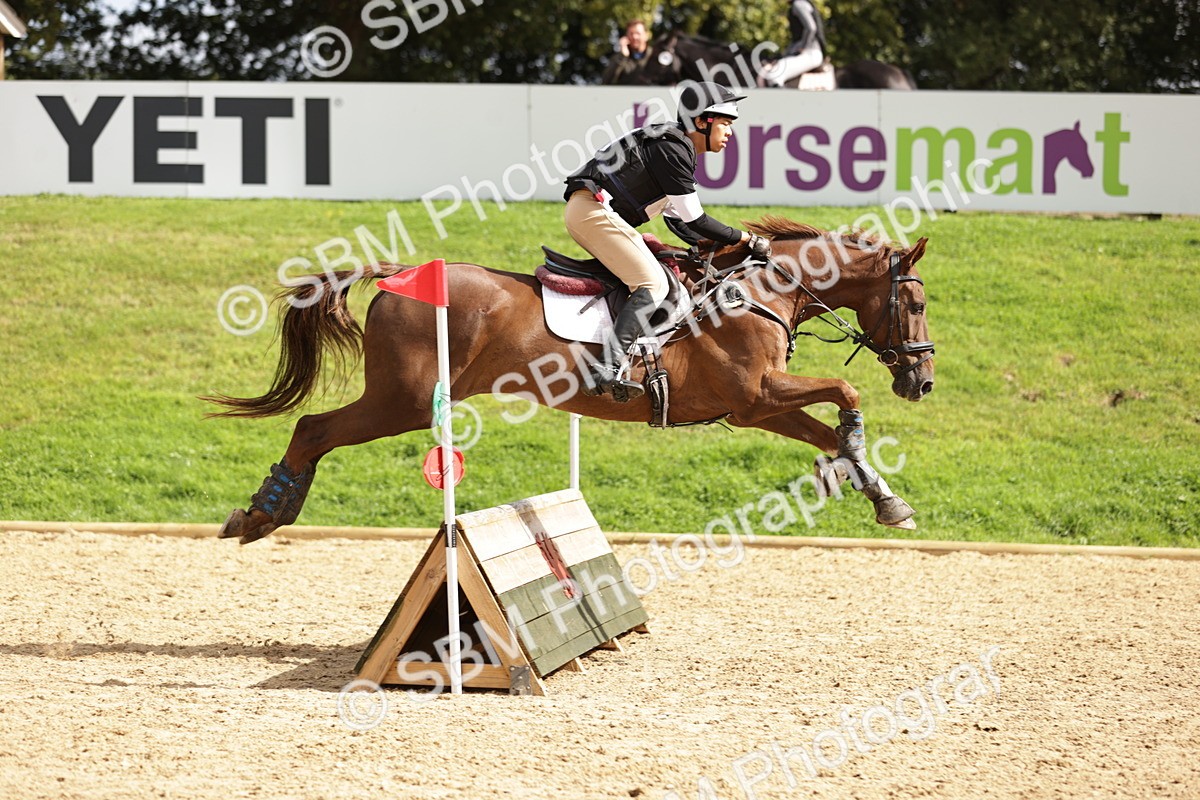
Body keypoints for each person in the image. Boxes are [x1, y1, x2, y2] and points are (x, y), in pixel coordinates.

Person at [562, 81, 773, 402]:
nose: (730, 133)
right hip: (592, 211)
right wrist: (748, 239)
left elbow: (679, 222)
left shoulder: (675, 146)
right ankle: (607, 366)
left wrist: (716, 251)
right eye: (726, 124)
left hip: (590, 210)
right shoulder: (673, 149)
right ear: (702, 121)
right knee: (653, 283)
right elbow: (697, 220)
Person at [757, 0, 828, 87]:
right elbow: (797, 40)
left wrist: (804, 47)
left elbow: (811, 28)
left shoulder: (798, 4)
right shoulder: (802, 3)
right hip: (810, 53)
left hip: (810, 53)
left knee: (774, 75)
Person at [601, 19, 653, 85]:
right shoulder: (619, 58)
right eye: (631, 34)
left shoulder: (654, 56)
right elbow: (606, 81)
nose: (634, 37)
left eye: (638, 33)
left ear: (646, 35)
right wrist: (622, 56)